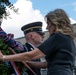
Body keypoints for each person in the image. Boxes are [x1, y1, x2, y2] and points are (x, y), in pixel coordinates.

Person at [0, 8, 75, 75]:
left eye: (49, 24)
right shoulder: (69, 40)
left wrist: (3, 57)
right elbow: (48, 64)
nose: (47, 27)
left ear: (56, 23)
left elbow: (30, 55)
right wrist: (29, 63)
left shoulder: (57, 37)